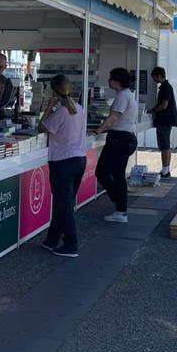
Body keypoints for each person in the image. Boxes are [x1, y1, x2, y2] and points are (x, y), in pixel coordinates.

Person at [37, 75, 87, 258]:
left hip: (62, 162)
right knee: (63, 203)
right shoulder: (80, 109)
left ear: (54, 92)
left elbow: (41, 127)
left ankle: (71, 245)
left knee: (64, 205)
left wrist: (49, 107)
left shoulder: (61, 112)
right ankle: (51, 240)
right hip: (79, 159)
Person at [92, 68, 138, 223]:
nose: (108, 81)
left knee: (101, 171)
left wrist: (98, 130)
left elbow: (113, 118)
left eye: (110, 78)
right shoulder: (128, 95)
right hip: (126, 139)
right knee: (118, 175)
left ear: (117, 80)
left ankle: (118, 199)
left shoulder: (123, 96)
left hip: (119, 139)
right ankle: (120, 211)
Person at [147, 67, 177, 178]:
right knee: (166, 146)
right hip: (167, 120)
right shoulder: (166, 87)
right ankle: (166, 169)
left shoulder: (166, 88)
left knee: (164, 146)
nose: (154, 80)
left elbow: (164, 105)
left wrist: (153, 110)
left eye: (154, 77)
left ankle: (165, 170)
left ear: (160, 75)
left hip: (164, 120)